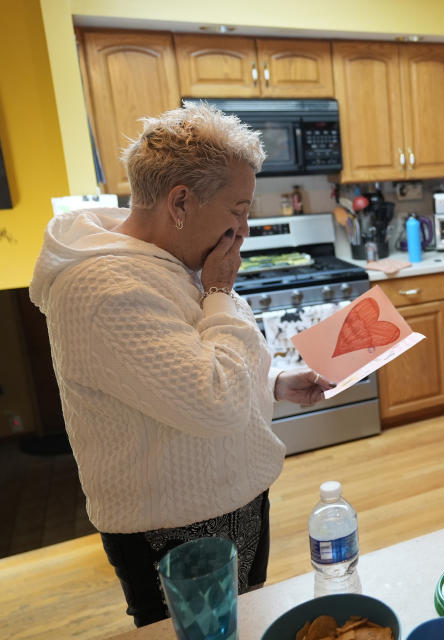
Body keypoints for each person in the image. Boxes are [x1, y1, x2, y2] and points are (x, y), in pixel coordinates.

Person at [29, 102, 334, 627]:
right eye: (238, 208)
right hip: (175, 529)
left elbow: (196, 368)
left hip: (234, 500)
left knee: (245, 623)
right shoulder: (103, 288)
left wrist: (274, 382)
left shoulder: (177, 262)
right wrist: (219, 290)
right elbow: (211, 400)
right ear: (180, 203)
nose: (245, 224)